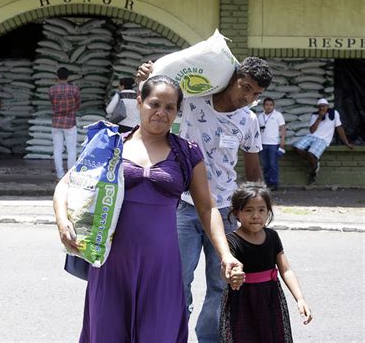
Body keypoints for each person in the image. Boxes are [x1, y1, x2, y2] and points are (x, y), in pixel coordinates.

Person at [53, 76, 243, 342]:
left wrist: (225, 254)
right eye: (154, 104)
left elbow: (208, 207)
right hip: (112, 263)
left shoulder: (187, 153)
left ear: (178, 111)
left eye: (170, 107)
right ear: (140, 102)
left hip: (162, 266)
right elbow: (66, 185)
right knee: (107, 334)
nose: (161, 113)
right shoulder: (111, 145)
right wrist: (63, 222)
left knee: (159, 334)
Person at [137, 57, 272, 343]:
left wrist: (258, 211)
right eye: (245, 88)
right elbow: (159, 102)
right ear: (232, 78)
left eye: (256, 94)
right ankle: (172, 336)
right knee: (177, 282)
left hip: (223, 213)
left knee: (221, 285)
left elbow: (252, 170)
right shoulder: (194, 101)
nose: (248, 97)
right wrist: (149, 76)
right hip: (183, 207)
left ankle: (209, 339)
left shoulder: (248, 120)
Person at [220, 182, 313, 342]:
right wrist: (231, 276)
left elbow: (286, 270)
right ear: (237, 213)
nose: (256, 215)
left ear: (268, 212)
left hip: (270, 299)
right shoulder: (231, 241)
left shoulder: (272, 237)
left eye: (261, 210)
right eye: (249, 210)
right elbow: (225, 269)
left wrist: (300, 298)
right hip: (243, 301)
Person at [293, 98, 353, 185]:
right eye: (320, 107)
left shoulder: (334, 114)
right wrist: (319, 118)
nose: (322, 108)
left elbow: (339, 128)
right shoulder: (315, 115)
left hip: (323, 139)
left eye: (324, 106)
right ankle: (315, 163)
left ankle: (313, 173)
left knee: (311, 153)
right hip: (312, 136)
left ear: (328, 106)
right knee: (297, 147)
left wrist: (346, 143)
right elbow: (312, 131)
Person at [49, 67, 81, 179]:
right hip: (70, 122)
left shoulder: (52, 89)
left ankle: (60, 174)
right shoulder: (74, 89)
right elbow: (78, 104)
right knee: (71, 149)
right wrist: (72, 110)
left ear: (57, 76)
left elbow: (52, 103)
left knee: (57, 149)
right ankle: (70, 175)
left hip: (56, 122)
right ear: (68, 77)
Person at [257, 97, 286, 191]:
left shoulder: (278, 115)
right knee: (265, 165)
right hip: (262, 143)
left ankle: (274, 183)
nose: (269, 107)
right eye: (267, 105)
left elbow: (283, 129)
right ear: (263, 106)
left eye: (270, 105)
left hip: (273, 144)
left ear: (273, 106)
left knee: (273, 164)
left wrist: (282, 142)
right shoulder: (260, 116)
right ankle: (267, 182)